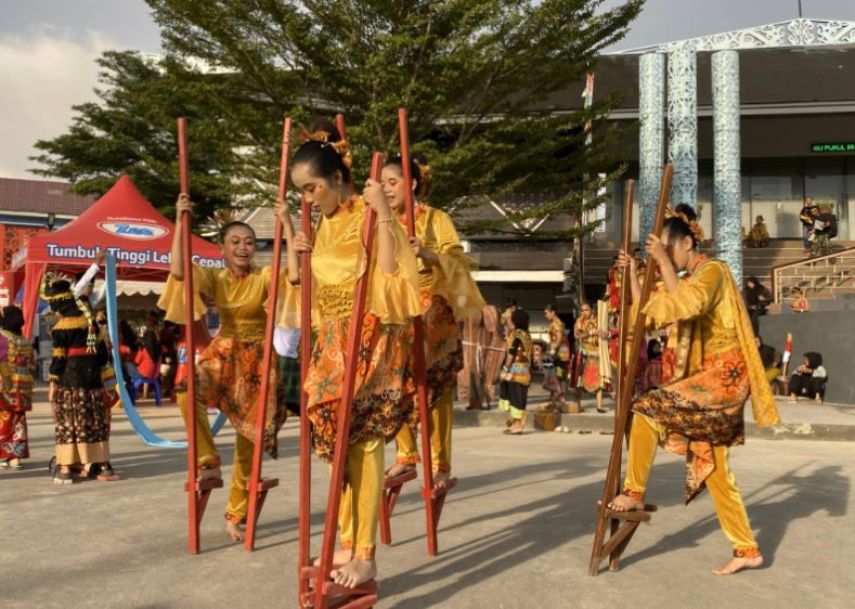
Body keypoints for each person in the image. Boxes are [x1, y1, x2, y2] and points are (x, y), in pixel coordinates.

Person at [282, 124, 423, 589]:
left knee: (362, 442)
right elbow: (312, 290)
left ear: (338, 179)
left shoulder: (367, 210)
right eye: (301, 191)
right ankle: (348, 538)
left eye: (312, 188)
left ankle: (365, 554)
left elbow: (391, 271)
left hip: (369, 337)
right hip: (331, 342)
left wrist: (382, 213)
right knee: (332, 442)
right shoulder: (321, 223)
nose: (307, 198)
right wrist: (299, 251)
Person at [610, 203, 780, 576]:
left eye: (668, 248)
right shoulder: (690, 278)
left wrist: (661, 262)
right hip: (710, 379)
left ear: (687, 243)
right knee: (713, 465)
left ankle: (634, 490)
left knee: (647, 408)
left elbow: (688, 305)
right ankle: (747, 549)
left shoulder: (713, 271)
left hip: (723, 376)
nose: (665, 255)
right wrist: (633, 276)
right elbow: (656, 310)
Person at [158, 197, 292, 543]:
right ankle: (207, 458)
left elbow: (295, 276)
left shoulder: (265, 275)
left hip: (259, 359)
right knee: (187, 391)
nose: (243, 247)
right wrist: (180, 222)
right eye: (235, 242)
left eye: (249, 242)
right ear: (222, 248)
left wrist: (289, 226)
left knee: (249, 440)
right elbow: (178, 271)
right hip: (225, 350)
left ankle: (235, 514)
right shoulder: (215, 277)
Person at [380, 154, 485, 489]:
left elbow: (458, 262)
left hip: (431, 308)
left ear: (411, 184)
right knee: (389, 379)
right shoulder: (380, 221)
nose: (386, 189)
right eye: (382, 184)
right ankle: (406, 453)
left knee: (435, 386)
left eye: (392, 182)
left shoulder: (436, 218)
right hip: (395, 308)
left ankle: (440, 464)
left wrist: (426, 253)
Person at [43, 276, 116, 484]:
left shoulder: (60, 328)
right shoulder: (90, 324)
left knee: (69, 423)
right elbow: (99, 354)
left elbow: (58, 359)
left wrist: (53, 382)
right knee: (94, 422)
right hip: (92, 381)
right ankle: (103, 466)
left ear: (57, 305)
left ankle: (66, 467)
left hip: (69, 382)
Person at [0, 306, 37, 469]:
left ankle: (4, 454)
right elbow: (32, 364)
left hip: (5, 385)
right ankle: (15, 457)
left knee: (4, 419)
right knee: (19, 421)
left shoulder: (2, 337)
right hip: (23, 387)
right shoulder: (24, 341)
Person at [498, 309, 532, 435]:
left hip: (515, 370)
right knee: (520, 396)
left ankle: (517, 425)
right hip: (525, 371)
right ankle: (515, 423)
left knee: (514, 396)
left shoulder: (516, 334)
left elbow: (511, 355)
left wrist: (505, 369)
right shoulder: (527, 334)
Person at [571, 302, 605, 413]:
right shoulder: (579, 322)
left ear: (592, 310)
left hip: (596, 353)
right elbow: (576, 336)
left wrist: (602, 334)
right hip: (583, 352)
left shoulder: (599, 321)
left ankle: (599, 406)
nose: (584, 312)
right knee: (579, 379)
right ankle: (577, 404)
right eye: (582, 310)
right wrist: (591, 332)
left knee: (598, 379)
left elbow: (604, 334)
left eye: (587, 310)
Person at [542, 304, 571, 410]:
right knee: (553, 373)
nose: (545, 315)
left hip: (560, 352)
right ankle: (553, 395)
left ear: (553, 312)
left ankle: (561, 396)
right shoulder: (553, 323)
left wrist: (553, 350)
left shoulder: (557, 324)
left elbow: (559, 339)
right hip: (558, 351)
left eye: (546, 313)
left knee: (559, 373)